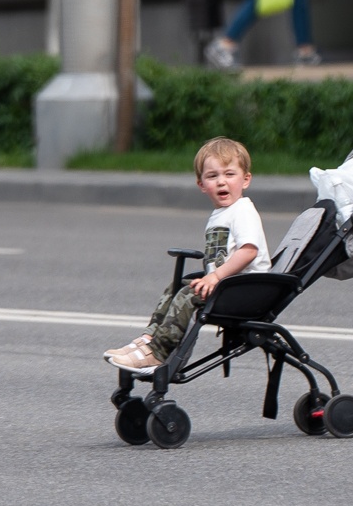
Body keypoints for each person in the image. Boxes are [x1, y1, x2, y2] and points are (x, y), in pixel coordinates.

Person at [103, 137, 271, 373]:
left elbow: (249, 251)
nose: (221, 182)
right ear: (202, 184)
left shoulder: (242, 210)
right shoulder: (221, 213)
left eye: (229, 174)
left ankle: (157, 353)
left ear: (246, 179)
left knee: (188, 294)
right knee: (176, 287)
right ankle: (149, 340)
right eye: (213, 176)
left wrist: (214, 277)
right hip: (229, 285)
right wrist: (213, 277)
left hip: (246, 290)